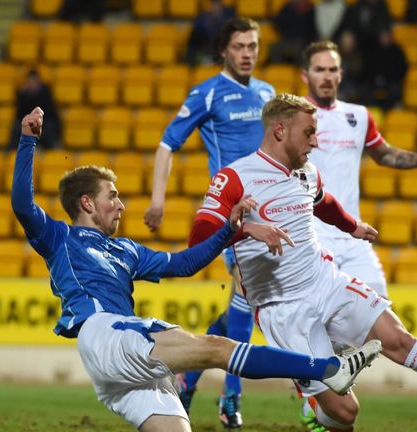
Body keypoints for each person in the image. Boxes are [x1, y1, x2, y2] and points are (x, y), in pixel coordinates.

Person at [11, 107, 382, 432]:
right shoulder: (59, 237)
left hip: (123, 362)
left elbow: (184, 263)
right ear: (87, 202)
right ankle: (329, 369)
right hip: (104, 333)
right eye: (114, 196)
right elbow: (22, 205)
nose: (121, 206)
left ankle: (326, 369)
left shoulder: (126, 250)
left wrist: (229, 232)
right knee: (215, 348)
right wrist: (28, 140)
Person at [190, 93, 417, 432]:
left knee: (398, 339)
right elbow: (198, 241)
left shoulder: (306, 173)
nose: (315, 142)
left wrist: (351, 226)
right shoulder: (234, 177)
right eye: (309, 133)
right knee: (346, 412)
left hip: (325, 281)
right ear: (280, 130)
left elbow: (324, 203)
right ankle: (317, 407)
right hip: (282, 308)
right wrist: (247, 228)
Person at [144, 17, 274, 428]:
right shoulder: (208, 93)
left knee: (245, 305)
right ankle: (230, 399)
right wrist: (157, 200)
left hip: (272, 211)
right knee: (247, 295)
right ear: (224, 51)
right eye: (239, 46)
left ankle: (187, 376)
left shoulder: (269, 93)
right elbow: (167, 145)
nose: (248, 53)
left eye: (252, 45)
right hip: (232, 210)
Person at [302, 40, 417, 300]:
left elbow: (385, 154)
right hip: (312, 233)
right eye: (320, 70)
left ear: (341, 74)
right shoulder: (293, 115)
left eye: (332, 70)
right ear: (305, 75)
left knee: (380, 308)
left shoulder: (358, 116)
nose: (327, 76)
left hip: (352, 233)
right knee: (323, 316)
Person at [9, 70, 60, 150]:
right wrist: (24, 94)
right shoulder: (23, 94)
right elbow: (19, 114)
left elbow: (49, 112)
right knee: (16, 127)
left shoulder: (45, 93)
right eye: (30, 81)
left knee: (49, 128)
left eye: (34, 81)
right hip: (28, 121)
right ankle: (11, 152)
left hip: (44, 121)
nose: (32, 84)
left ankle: (50, 152)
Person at [185, 0, 236, 66]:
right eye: (214, 4)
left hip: (223, 47)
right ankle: (192, 65)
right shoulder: (203, 17)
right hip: (207, 49)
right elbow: (196, 34)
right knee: (196, 35)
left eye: (217, 4)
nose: (216, 7)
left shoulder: (229, 15)